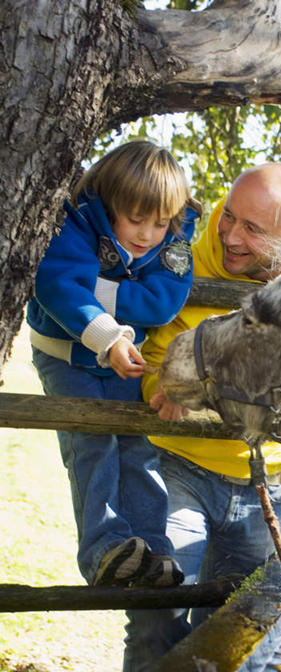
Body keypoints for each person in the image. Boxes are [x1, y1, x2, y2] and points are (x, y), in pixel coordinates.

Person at [123, 163, 281, 672]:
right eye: (229, 216)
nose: (229, 235)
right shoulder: (182, 258)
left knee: (233, 630)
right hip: (178, 468)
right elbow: (150, 355)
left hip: (264, 483)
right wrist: (163, 385)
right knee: (157, 614)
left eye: (252, 229)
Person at [26, 140, 202, 588]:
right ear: (109, 203)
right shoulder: (78, 220)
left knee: (138, 449)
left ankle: (152, 549)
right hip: (67, 356)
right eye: (135, 220)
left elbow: (162, 302)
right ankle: (105, 548)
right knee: (92, 443)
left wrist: (95, 289)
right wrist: (109, 334)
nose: (147, 235)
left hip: (126, 360)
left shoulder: (174, 237)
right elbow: (58, 284)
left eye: (159, 223)